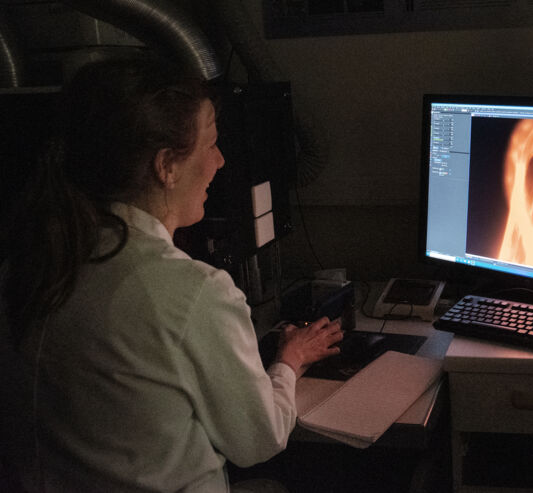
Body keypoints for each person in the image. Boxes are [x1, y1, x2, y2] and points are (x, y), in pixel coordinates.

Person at [0, 57, 342, 492]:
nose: (219, 162)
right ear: (166, 166)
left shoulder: (23, 266)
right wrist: (289, 361)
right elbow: (260, 440)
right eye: (211, 144)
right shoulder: (192, 292)